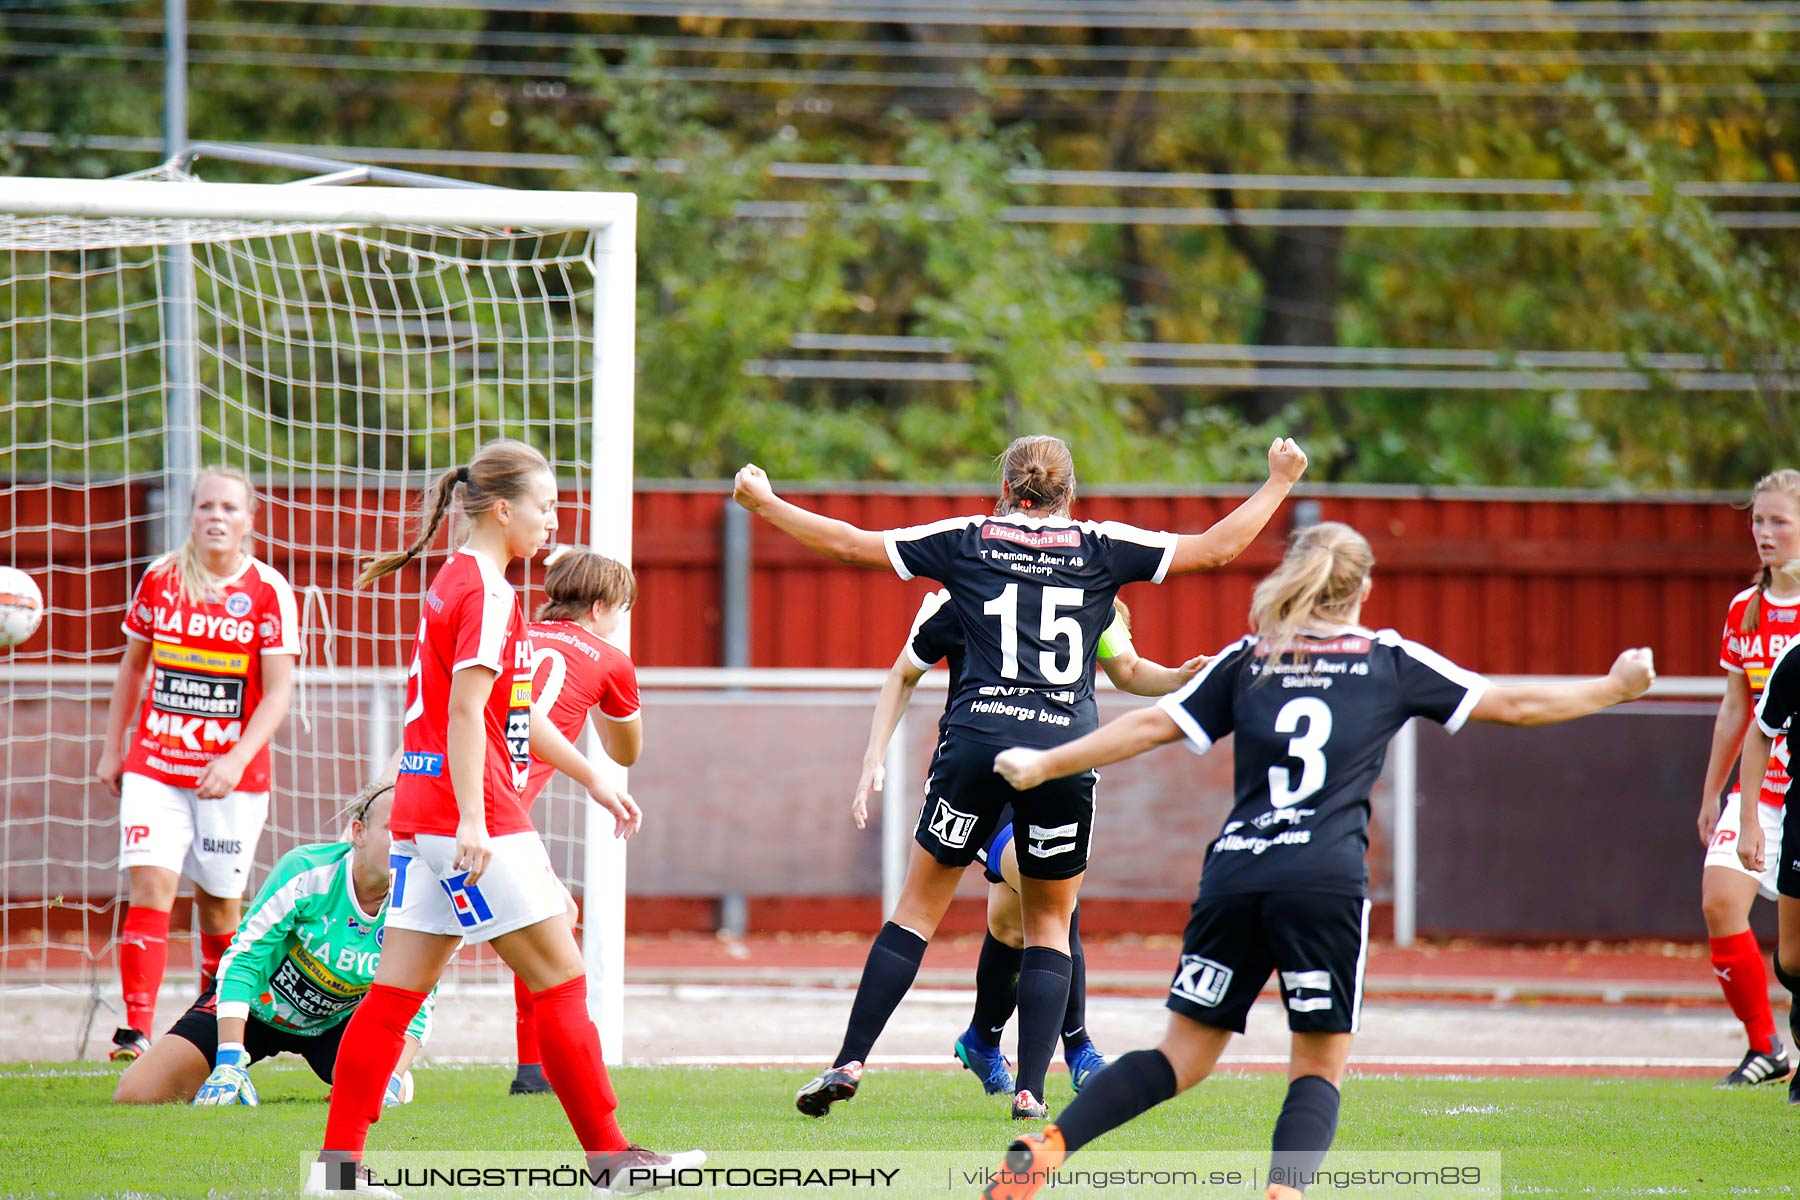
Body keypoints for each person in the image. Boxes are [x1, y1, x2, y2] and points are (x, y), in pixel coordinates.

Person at [981, 521, 1656, 1200]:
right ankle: (1284, 1192)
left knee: (1180, 1055)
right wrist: (1614, 687)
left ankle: (1052, 1146)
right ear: (1363, 586)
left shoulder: (1251, 658)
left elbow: (1150, 724)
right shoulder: (1387, 659)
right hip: (1324, 884)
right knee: (1317, 1068)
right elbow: (1513, 704)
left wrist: (1046, 763)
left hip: (1235, 877)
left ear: (1293, 578)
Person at [734, 433, 1308, 1121]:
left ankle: (850, 1058)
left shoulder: (967, 538)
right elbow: (1215, 548)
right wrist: (1278, 481)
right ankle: (1033, 1090)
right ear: (1073, 491)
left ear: (1005, 488)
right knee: (1050, 923)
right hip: (1063, 751)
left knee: (917, 911)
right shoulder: (1100, 547)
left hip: (976, 742)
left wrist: (764, 502)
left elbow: (852, 544)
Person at [306, 440, 701, 1198]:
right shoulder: (488, 592)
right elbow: (462, 710)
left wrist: (591, 778)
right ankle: (614, 1163)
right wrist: (476, 824)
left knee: (392, 999)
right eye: (546, 506)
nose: (553, 522)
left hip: (422, 811)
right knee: (561, 982)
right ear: (503, 508)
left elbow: (505, 710)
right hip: (469, 813)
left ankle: (339, 1174)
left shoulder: (456, 578)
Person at [854, 592, 1204, 1098]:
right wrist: (874, 756)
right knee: (1052, 901)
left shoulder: (1085, 601)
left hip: (1049, 780)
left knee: (1010, 926)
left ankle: (982, 1037)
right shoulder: (972, 591)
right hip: (986, 784)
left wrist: (1178, 676)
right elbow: (905, 670)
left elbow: (1128, 668)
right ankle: (1078, 1045)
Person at [95, 467, 299, 1062]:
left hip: (231, 778)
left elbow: (280, 690)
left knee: (218, 904)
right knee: (152, 883)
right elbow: (134, 668)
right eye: (206, 506)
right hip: (156, 762)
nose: (216, 516)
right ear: (190, 515)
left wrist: (236, 759)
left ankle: (211, 1020)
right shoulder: (160, 578)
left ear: (248, 522)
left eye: (230, 508)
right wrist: (115, 748)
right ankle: (136, 1031)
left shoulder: (267, 589)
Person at [112, 781, 429, 1106]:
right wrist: (229, 1058)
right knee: (135, 1092)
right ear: (359, 833)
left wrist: (390, 1080)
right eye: (394, 830)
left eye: (414, 833)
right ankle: (230, 1072)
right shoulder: (306, 872)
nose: (405, 843)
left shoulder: (419, 901)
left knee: (397, 1090)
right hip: (253, 1009)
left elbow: (419, 999)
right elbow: (243, 960)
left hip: (336, 1023)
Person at [508, 547, 643, 1098]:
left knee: (546, 914)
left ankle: (532, 1069)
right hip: (496, 810)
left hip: (447, 784)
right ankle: (540, 1071)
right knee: (555, 918)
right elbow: (626, 752)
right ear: (601, 607)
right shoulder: (609, 658)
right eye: (622, 609)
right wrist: (609, 697)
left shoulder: (514, 634)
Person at [1700, 470, 1799, 1087]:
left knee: (1794, 952)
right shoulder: (1747, 607)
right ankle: (1765, 1046)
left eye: (1779, 521)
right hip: (1759, 784)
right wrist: (1713, 790)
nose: (1764, 533)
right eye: (1757, 521)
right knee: (1718, 900)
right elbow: (1738, 705)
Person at [1736, 627, 1800, 1107]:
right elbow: (1760, 734)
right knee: (1794, 959)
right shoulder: (1795, 660)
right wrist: (1749, 822)